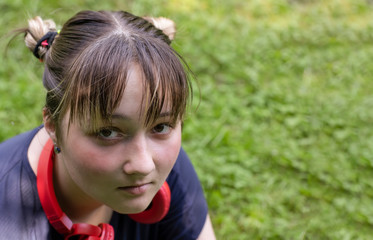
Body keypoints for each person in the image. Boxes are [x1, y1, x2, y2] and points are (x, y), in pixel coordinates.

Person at [0, 10, 216, 239]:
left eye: (160, 127)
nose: (144, 165)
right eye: (108, 132)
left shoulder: (166, 168)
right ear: (52, 126)